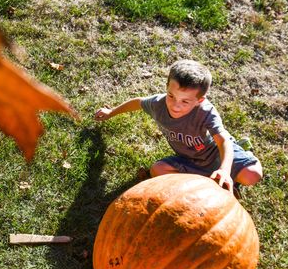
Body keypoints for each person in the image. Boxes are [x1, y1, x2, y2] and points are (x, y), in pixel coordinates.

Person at [94, 59, 262, 193]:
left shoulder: (205, 112)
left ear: (199, 100)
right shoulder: (158, 104)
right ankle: (206, 185)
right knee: (157, 170)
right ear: (167, 88)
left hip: (216, 156)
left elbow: (223, 140)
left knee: (252, 176)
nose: (175, 105)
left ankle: (234, 160)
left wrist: (225, 170)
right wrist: (111, 112)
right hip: (189, 161)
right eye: (171, 96)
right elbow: (137, 103)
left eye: (185, 101)